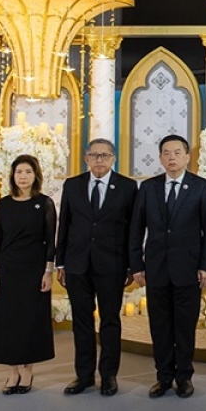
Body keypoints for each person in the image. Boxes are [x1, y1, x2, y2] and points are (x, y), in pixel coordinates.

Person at [129, 134, 206, 398]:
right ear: (160, 158)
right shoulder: (149, 188)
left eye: (177, 153)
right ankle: (164, 376)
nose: (172, 158)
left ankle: (184, 376)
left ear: (187, 156)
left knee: (185, 327)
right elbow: (136, 229)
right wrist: (136, 265)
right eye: (166, 153)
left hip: (188, 270)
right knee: (160, 326)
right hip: (156, 269)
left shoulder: (201, 187)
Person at [56, 140, 138, 397]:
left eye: (105, 155)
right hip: (77, 264)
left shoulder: (127, 186)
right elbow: (65, 224)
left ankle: (109, 375)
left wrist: (131, 265)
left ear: (113, 158)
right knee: (81, 321)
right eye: (94, 155)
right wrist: (61, 262)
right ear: (86, 158)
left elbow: (133, 229)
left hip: (112, 264)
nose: (99, 160)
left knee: (110, 320)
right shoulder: (72, 185)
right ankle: (84, 375)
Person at [0, 155, 58, 394]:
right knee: (8, 320)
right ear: (12, 176)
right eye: (19, 172)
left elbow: (50, 241)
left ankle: (27, 370)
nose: (23, 176)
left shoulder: (44, 203)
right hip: (7, 269)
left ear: (36, 175)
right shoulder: (3, 205)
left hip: (34, 270)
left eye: (28, 172)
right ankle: (12, 371)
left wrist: (48, 271)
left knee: (30, 320)